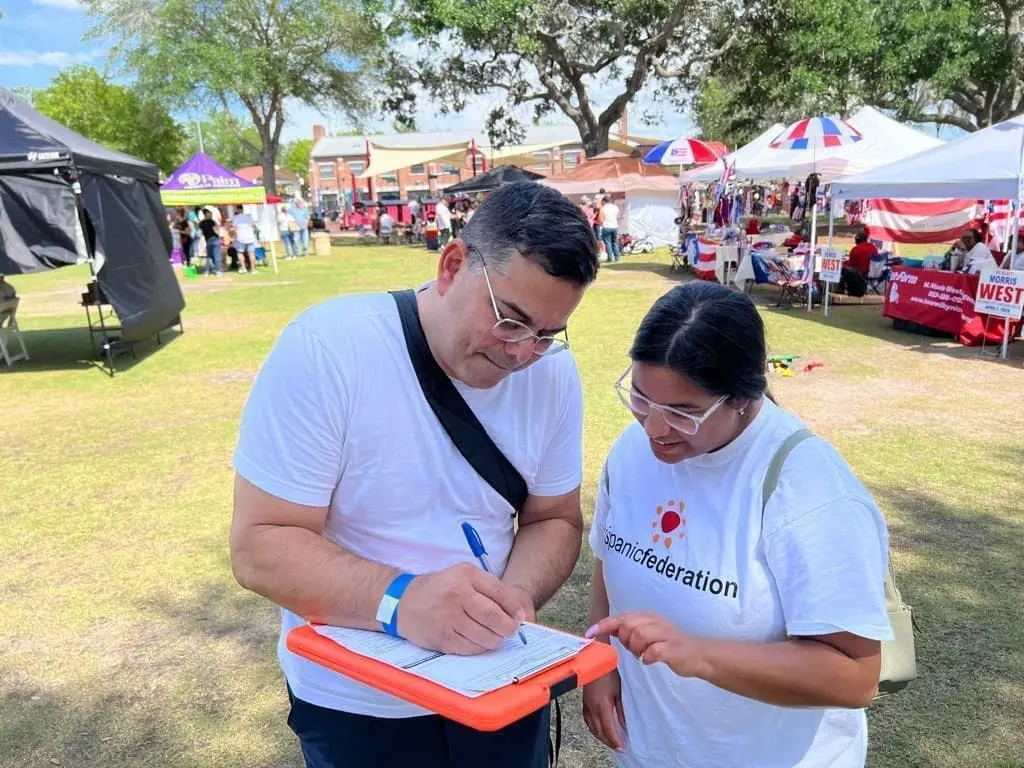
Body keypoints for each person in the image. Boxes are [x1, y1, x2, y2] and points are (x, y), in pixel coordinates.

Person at [230, 182, 600, 768]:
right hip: (359, 705)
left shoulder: (552, 374)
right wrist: (401, 602)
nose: (522, 353)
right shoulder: (330, 349)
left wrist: (512, 602)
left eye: (547, 335)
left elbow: (552, 518)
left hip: (498, 689)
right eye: (511, 321)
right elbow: (260, 547)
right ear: (453, 265)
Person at [582, 282, 892, 768]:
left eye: (684, 413)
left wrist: (701, 654)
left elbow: (855, 676)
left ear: (743, 397)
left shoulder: (809, 492)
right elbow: (611, 558)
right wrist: (600, 661)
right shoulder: (631, 448)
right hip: (649, 752)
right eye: (640, 398)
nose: (654, 429)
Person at [231, 205, 259, 274]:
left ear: (237, 210)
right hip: (250, 237)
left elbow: (234, 228)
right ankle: (253, 269)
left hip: (241, 238)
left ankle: (243, 268)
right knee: (251, 253)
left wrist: (233, 236)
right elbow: (254, 227)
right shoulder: (249, 217)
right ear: (243, 209)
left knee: (240, 253)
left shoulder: (236, 218)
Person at [198, 209, 221, 276]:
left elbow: (202, 233)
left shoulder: (201, 223)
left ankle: (207, 271)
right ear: (207, 214)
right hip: (214, 239)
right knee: (216, 256)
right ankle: (218, 271)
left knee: (208, 257)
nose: (211, 215)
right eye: (210, 213)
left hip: (207, 240)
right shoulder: (212, 221)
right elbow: (216, 230)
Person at [601, 195, 621, 263]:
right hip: (615, 226)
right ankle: (617, 257)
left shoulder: (603, 208)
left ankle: (610, 258)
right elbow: (618, 217)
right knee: (615, 242)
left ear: (604, 201)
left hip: (606, 226)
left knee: (608, 243)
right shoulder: (615, 207)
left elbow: (601, 218)